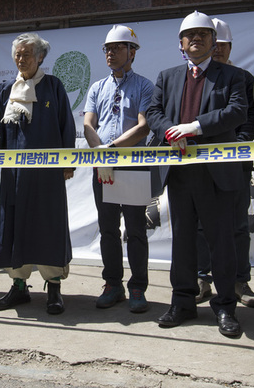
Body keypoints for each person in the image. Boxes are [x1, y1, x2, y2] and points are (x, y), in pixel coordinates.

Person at [146, 11, 249, 339]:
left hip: (216, 175)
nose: (196, 39)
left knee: (221, 243)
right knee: (184, 242)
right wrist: (172, 132)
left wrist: (195, 126)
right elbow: (153, 112)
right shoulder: (167, 76)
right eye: (189, 35)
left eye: (203, 34)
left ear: (213, 40)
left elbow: (236, 111)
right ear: (181, 43)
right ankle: (182, 302)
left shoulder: (233, 76)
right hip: (179, 175)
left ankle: (225, 306)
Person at [0, 33, 76, 314]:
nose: (21, 59)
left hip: (47, 177)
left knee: (49, 228)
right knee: (15, 227)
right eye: (18, 54)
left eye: (27, 54)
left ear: (40, 58)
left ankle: (55, 289)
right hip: (14, 178)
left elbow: (66, 126)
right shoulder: (5, 90)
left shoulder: (53, 87)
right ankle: (18, 287)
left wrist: (67, 162)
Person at [83, 25, 154, 314]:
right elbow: (88, 125)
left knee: (136, 230)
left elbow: (143, 126)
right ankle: (113, 284)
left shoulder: (145, 86)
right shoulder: (97, 87)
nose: (110, 53)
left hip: (133, 166)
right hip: (103, 168)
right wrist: (102, 157)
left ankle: (138, 287)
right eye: (107, 49)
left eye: (117, 48)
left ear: (132, 52)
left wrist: (110, 152)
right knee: (108, 229)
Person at [206, 17, 254, 309]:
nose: (216, 50)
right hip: (201, 165)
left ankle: (241, 281)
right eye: (212, 45)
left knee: (238, 225)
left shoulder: (242, 77)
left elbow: (249, 117)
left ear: (229, 47)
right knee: (202, 226)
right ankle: (203, 279)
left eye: (221, 45)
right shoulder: (196, 77)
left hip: (235, 164)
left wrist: (238, 146)